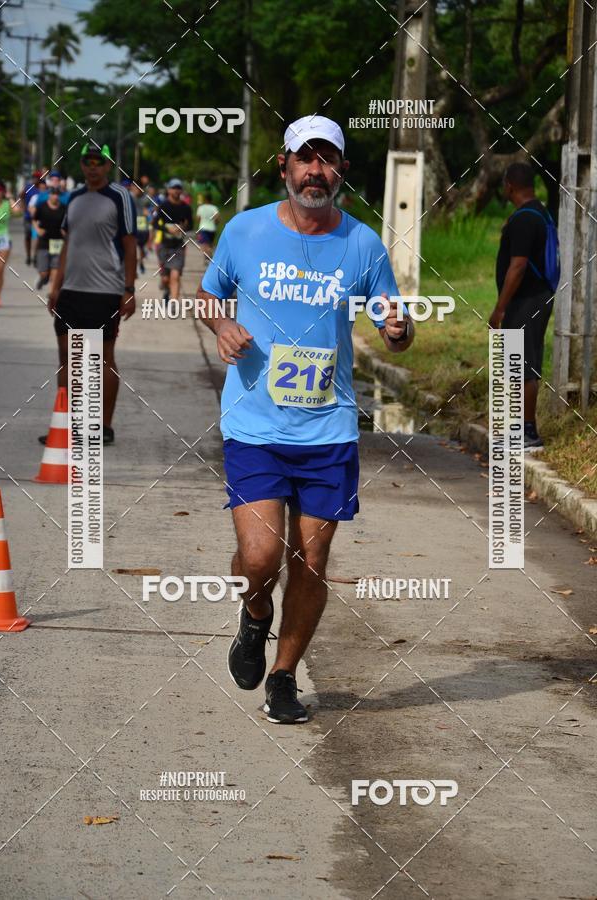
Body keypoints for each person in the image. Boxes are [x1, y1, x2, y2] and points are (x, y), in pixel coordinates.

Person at [197, 115, 414, 724]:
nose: (315, 171)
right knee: (262, 558)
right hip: (256, 424)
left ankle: (284, 676)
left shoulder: (361, 244)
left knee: (311, 563)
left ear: (340, 169)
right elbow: (210, 294)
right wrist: (223, 324)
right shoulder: (245, 231)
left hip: (328, 430)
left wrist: (399, 328)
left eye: (327, 160)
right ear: (284, 166)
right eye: (305, 159)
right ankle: (256, 614)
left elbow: (393, 324)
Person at [44, 143, 137, 445]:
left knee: (101, 359)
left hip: (105, 291)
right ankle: (65, 427)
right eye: (88, 161)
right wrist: (56, 286)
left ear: (108, 166)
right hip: (71, 290)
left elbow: (129, 244)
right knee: (67, 359)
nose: (93, 166)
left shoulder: (119, 196)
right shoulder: (74, 198)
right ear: (82, 165)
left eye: (99, 161)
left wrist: (129, 289)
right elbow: (69, 244)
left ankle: (103, 427)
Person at [489, 162, 558, 450]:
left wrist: (500, 308)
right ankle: (520, 429)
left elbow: (517, 267)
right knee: (519, 363)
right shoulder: (540, 212)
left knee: (523, 364)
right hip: (536, 297)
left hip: (527, 299)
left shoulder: (524, 219)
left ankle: (528, 433)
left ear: (510, 186)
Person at [154, 178, 193, 302]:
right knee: (166, 279)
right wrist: (167, 230)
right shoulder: (163, 206)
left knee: (175, 276)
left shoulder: (186, 208)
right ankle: (166, 289)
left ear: (181, 190)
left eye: (178, 188)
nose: (176, 191)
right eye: (173, 188)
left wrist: (183, 227)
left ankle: (174, 303)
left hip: (178, 247)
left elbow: (191, 225)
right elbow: (154, 224)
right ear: (169, 190)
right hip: (164, 246)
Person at [35, 187, 66, 290]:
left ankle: (51, 293)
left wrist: (65, 231)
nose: (55, 196)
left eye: (57, 195)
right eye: (53, 194)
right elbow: (34, 219)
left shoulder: (64, 208)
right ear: (49, 195)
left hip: (58, 241)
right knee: (43, 272)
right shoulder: (42, 207)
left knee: (55, 268)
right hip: (44, 241)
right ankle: (44, 277)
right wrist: (38, 230)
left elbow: (67, 222)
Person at [0, 180, 21, 306]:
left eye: (0, 189)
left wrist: (11, 196)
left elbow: (17, 211)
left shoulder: (6, 204)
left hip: (3, 241)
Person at [129, 182, 152, 275]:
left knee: (141, 249)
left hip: (144, 229)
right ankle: (135, 267)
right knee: (134, 249)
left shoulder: (146, 200)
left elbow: (153, 211)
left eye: (138, 188)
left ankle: (141, 263)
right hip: (133, 229)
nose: (136, 190)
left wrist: (149, 214)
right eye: (134, 188)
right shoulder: (129, 198)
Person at [20, 171, 42, 265]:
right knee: (28, 236)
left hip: (38, 218)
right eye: (34, 177)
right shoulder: (28, 187)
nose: (35, 179)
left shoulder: (41, 188)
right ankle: (29, 256)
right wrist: (23, 207)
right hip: (28, 216)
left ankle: (36, 256)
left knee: (37, 237)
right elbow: (21, 196)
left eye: (37, 178)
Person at [195, 191, 219, 257]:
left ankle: (207, 256)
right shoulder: (214, 208)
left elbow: (198, 219)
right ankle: (209, 255)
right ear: (211, 200)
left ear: (205, 199)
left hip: (203, 228)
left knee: (205, 244)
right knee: (210, 244)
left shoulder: (200, 208)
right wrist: (215, 223)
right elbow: (217, 218)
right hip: (212, 228)